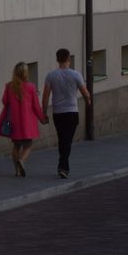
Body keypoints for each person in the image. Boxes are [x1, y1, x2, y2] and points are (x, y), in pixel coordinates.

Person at [42, 48, 91, 178]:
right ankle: (63, 167)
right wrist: (88, 101)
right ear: (69, 59)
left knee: (62, 139)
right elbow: (84, 92)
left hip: (57, 113)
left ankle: (62, 165)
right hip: (71, 112)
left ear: (57, 59)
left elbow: (45, 96)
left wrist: (44, 112)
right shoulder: (76, 75)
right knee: (67, 140)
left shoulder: (51, 75)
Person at [0, 62, 45, 177]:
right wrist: (42, 118)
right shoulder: (30, 87)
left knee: (16, 146)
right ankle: (22, 160)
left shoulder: (9, 86)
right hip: (27, 122)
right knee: (28, 145)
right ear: (26, 73)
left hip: (14, 122)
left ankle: (17, 170)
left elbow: (5, 101)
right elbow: (36, 106)